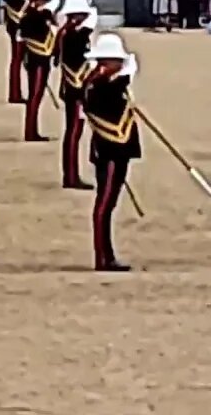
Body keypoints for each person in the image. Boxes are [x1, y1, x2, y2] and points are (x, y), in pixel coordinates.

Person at [81, 33, 141, 272]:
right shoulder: (100, 85)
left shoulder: (105, 82)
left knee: (108, 204)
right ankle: (103, 256)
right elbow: (114, 89)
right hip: (110, 151)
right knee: (104, 205)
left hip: (116, 150)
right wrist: (121, 79)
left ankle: (106, 254)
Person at [54, 0, 96, 190]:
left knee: (73, 132)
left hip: (73, 86)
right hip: (76, 88)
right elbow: (77, 64)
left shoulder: (68, 33)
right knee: (73, 132)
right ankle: (70, 176)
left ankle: (71, 174)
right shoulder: (74, 36)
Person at [18, 0, 57, 141]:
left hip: (41, 58)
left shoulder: (40, 15)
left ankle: (32, 129)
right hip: (36, 59)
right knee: (35, 95)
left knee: (37, 95)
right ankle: (30, 131)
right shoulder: (31, 17)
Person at [0, 0, 29, 103]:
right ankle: (15, 93)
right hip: (17, 23)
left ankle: (20, 91)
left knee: (21, 59)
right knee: (17, 58)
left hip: (21, 22)